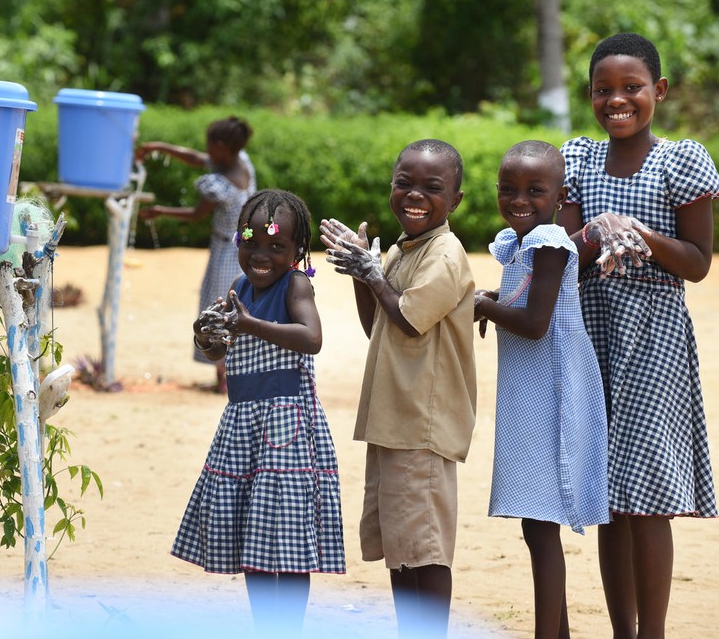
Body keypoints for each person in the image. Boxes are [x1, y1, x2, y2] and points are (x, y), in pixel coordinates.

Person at [557, 33, 719, 639]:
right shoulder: (577, 160)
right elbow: (562, 255)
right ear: (590, 96)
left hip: (655, 340)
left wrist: (641, 233)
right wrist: (594, 233)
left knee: (647, 495)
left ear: (659, 91)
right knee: (612, 497)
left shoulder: (681, 161)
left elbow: (698, 262)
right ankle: (622, 633)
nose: (617, 100)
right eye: (603, 90)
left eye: (632, 88)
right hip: (592, 335)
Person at [319, 139, 476, 639]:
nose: (415, 195)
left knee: (425, 550)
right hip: (395, 421)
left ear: (455, 200)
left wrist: (372, 273)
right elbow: (377, 325)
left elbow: (408, 319)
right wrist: (362, 273)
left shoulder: (445, 253)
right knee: (401, 549)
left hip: (421, 426)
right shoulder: (401, 250)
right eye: (404, 183)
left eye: (432, 188)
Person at [171, 189, 344, 636]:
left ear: (296, 251)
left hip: (287, 429)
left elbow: (311, 338)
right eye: (250, 243)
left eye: (275, 246)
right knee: (253, 539)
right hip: (243, 426)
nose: (261, 255)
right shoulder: (238, 288)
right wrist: (206, 337)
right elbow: (218, 352)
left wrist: (251, 324)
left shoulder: (295, 285)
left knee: (288, 544)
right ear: (238, 241)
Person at [474, 141, 610, 639]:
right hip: (530, 391)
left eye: (535, 190)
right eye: (508, 189)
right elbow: (526, 299)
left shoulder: (548, 241)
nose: (519, 199)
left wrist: (483, 307)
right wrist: (495, 298)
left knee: (539, 524)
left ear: (560, 196)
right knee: (536, 523)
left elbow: (535, 324)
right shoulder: (522, 242)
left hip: (550, 392)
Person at [136, 116, 255, 394]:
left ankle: (224, 379)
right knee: (230, 306)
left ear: (222, 146)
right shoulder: (240, 161)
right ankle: (225, 376)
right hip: (241, 246)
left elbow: (196, 214)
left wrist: (159, 212)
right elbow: (195, 158)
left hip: (226, 252)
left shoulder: (221, 183)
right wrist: (160, 147)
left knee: (219, 307)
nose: (206, 150)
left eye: (210, 144)